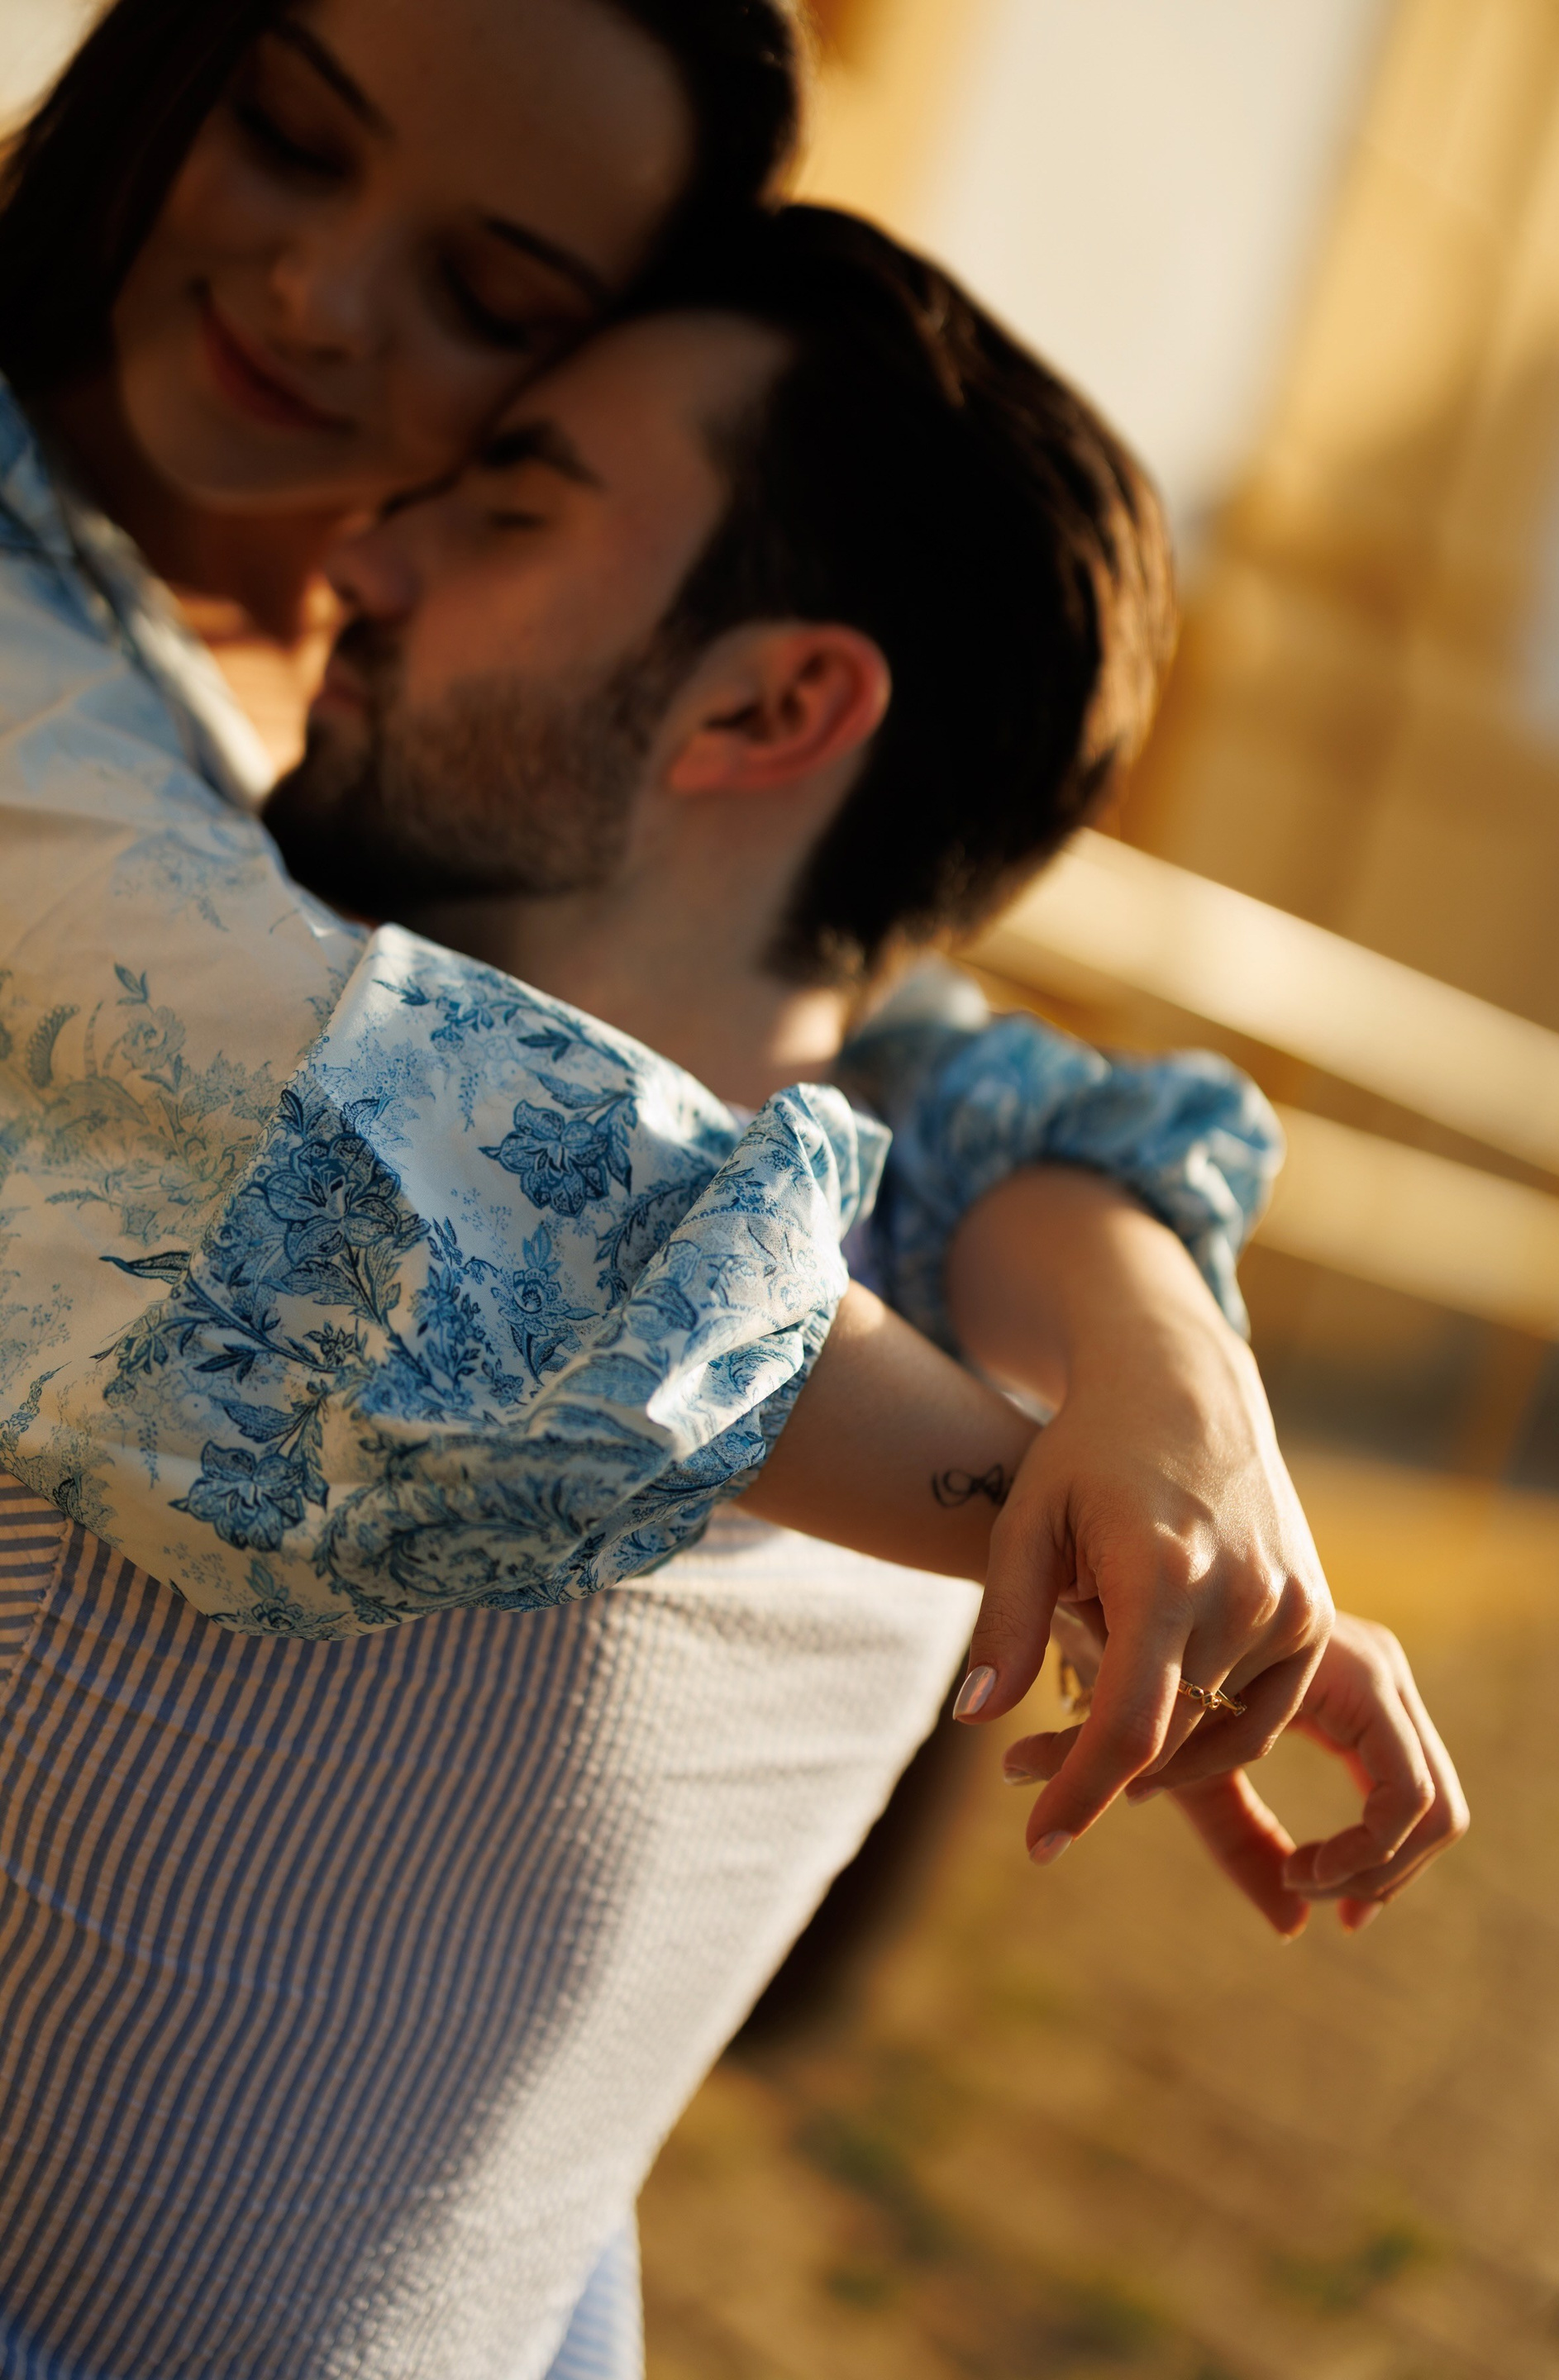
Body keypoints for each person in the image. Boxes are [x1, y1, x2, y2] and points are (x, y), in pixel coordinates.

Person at [0, 203, 1462, 2380]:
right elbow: (474, 1153)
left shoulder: (936, 1261)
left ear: (776, 702)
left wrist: (1158, 1378)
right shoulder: (181, 1050)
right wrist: (1114, 1464)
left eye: (506, 509)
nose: (362, 563)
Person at [0, 0, 1345, 1819]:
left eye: (491, 296)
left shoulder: (378, 659)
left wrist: (1168, 1369)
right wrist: (1095, 1532)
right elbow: (346, 1106)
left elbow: (900, 1052)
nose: (320, 296)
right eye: (291, 138)